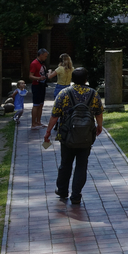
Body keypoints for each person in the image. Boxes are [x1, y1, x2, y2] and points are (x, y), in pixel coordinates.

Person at [43, 67, 103, 205]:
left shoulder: (64, 93)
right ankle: (76, 195)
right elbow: (99, 113)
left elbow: (54, 115)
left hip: (67, 136)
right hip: (86, 136)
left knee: (65, 164)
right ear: (86, 80)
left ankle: (62, 190)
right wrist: (99, 126)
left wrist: (48, 132)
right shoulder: (93, 94)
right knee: (82, 166)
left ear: (72, 79)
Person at [29, 48, 49, 128]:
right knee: (36, 105)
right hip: (36, 85)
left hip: (42, 86)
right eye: (45, 56)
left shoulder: (42, 64)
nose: (46, 58)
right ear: (41, 55)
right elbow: (30, 76)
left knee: (41, 104)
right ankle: (33, 123)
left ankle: (38, 121)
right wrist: (38, 78)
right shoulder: (34, 63)